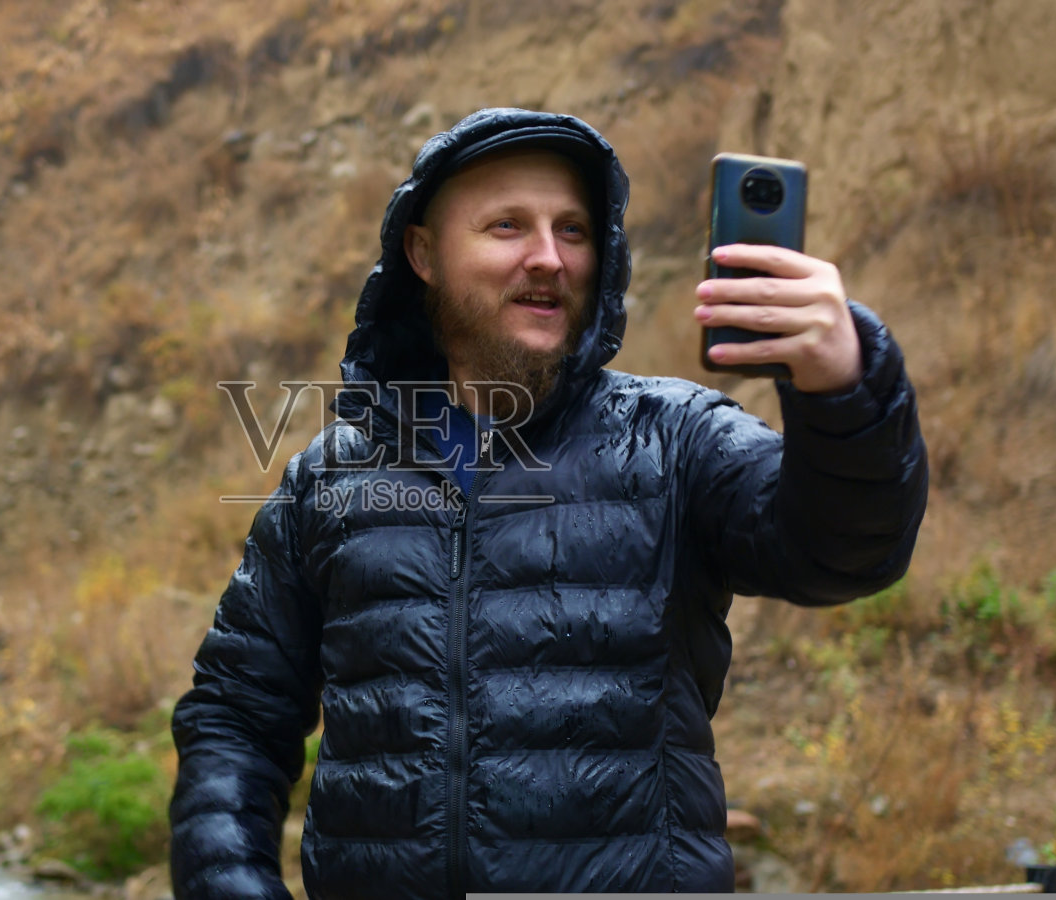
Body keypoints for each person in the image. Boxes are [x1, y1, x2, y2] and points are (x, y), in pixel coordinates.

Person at [168, 108, 927, 897]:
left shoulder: (674, 441)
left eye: (573, 231)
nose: (549, 258)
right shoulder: (332, 478)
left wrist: (845, 386)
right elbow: (234, 718)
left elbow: (845, 549)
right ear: (423, 253)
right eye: (507, 227)